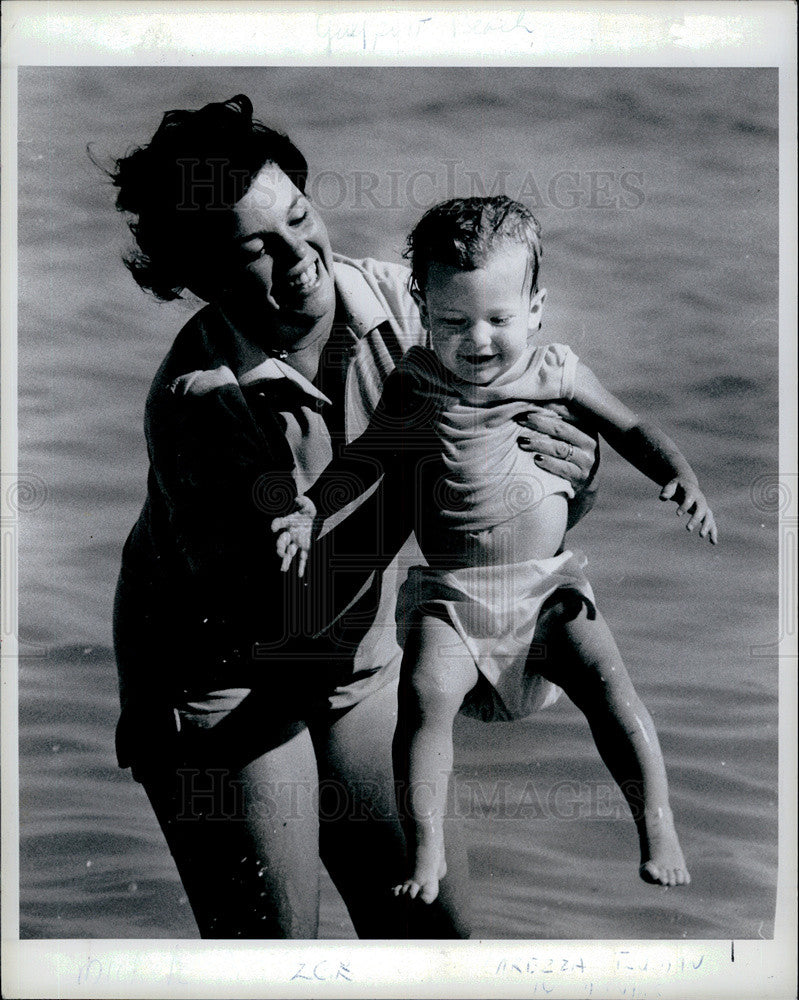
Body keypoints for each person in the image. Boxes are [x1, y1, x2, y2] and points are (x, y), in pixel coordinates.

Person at [109, 95, 598, 939]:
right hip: (223, 677)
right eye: (255, 247)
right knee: (272, 958)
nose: (297, 256)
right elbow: (293, 594)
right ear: (203, 277)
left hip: (356, 660)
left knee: (436, 940)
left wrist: (572, 476)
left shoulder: (408, 311)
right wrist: (424, 455)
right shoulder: (202, 401)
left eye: (299, 217)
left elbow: (520, 492)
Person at [274, 196, 717, 906]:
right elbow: (365, 459)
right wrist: (309, 509)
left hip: (545, 589)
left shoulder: (556, 372)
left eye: (498, 320)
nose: (476, 341)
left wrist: (680, 477)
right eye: (452, 321)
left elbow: (632, 430)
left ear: (536, 308)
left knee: (609, 688)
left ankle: (656, 827)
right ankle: (425, 851)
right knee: (421, 704)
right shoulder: (415, 383)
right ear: (422, 309)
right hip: (451, 597)